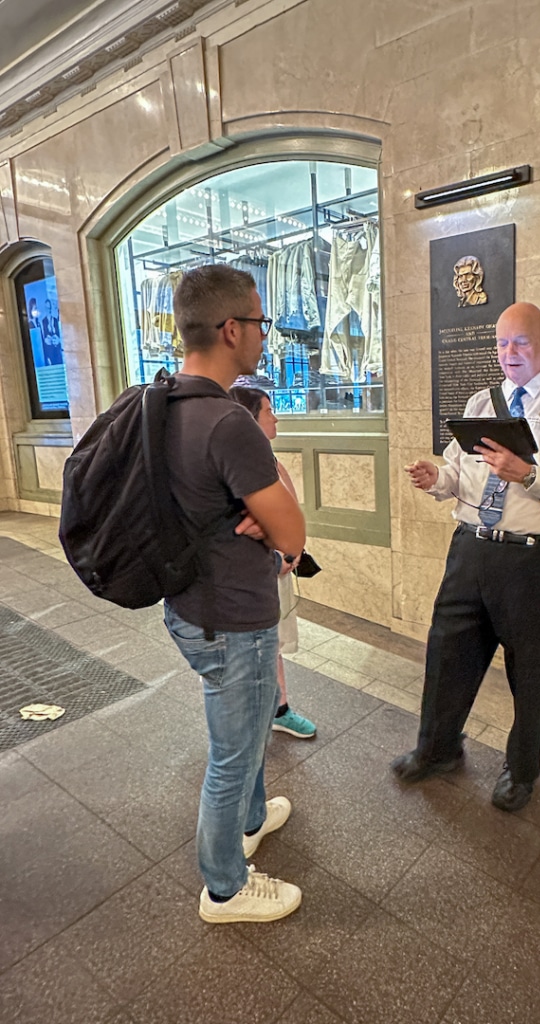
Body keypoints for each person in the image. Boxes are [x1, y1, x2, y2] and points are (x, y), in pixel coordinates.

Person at [391, 302, 540, 812]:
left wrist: (530, 474)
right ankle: (437, 749)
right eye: (502, 343)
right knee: (447, 655)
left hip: (531, 562)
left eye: (521, 342)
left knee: (529, 672)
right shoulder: (480, 401)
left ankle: (521, 770)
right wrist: (436, 478)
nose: (509, 354)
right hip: (470, 552)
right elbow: (458, 472)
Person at [165, 264, 306, 923]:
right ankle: (225, 886)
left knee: (246, 733)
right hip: (234, 618)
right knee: (234, 753)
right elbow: (293, 536)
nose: (263, 334)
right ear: (230, 329)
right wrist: (278, 528)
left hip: (191, 606)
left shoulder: (161, 402)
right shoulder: (229, 423)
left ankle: (251, 819)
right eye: (257, 321)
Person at [230, 385, 317, 739]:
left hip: (277, 568)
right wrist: (276, 555)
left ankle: (278, 707)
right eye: (268, 411)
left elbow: (289, 514)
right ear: (250, 419)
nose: (276, 416)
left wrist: (290, 553)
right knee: (253, 646)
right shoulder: (237, 467)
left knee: (273, 641)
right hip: (256, 575)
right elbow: (241, 529)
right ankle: (253, 714)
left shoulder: (268, 460)